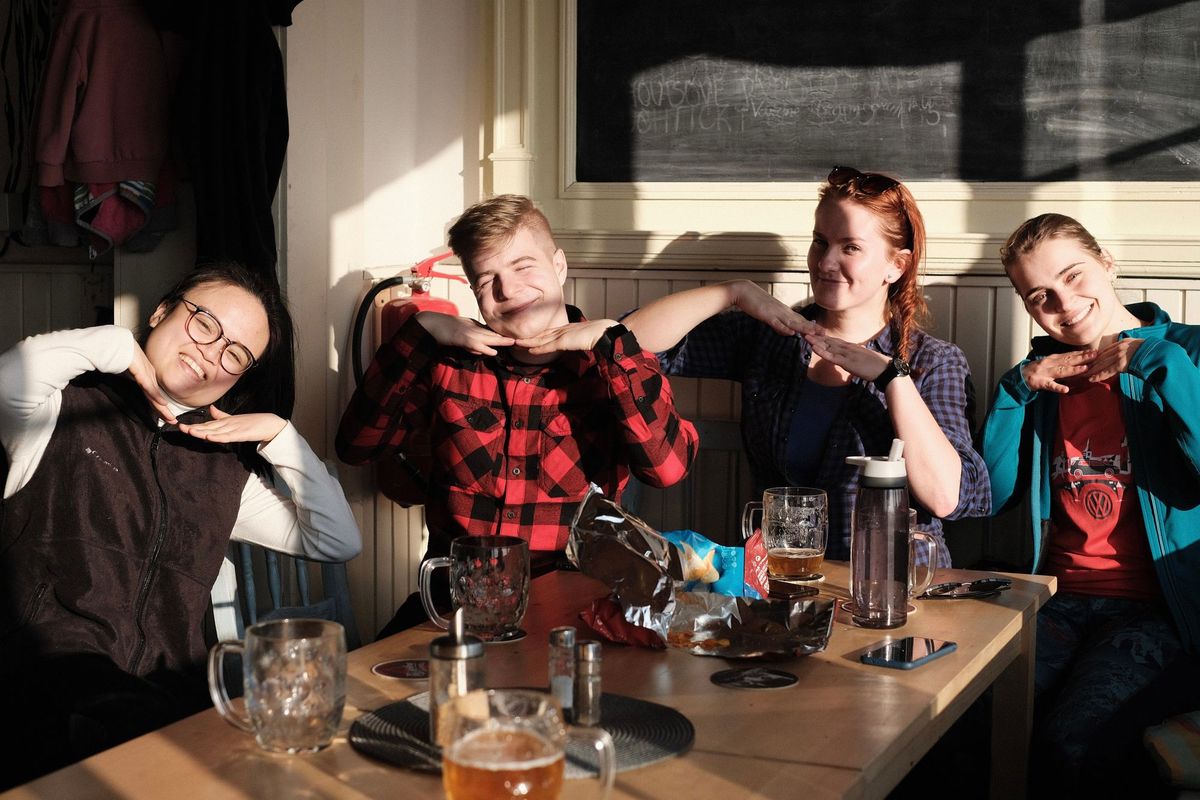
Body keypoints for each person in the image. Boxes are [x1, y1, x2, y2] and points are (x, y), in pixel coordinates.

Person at [0, 262, 361, 789]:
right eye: (203, 323)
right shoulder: (58, 412)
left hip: (168, 708)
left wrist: (279, 435)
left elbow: (337, 540)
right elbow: (13, 373)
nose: (211, 352)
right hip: (40, 704)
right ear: (162, 311)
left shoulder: (223, 470)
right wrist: (121, 348)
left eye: (235, 354)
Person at [337, 194, 698, 633]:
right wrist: (420, 331)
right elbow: (356, 448)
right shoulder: (448, 364)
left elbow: (668, 470)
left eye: (524, 266)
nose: (508, 290)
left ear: (559, 266)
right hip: (456, 609)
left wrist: (610, 341)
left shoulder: (613, 365)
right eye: (487, 279)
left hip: (572, 611)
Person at [623, 166, 990, 564]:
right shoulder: (770, 337)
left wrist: (891, 378)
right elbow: (626, 344)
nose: (826, 262)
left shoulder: (933, 362)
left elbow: (947, 498)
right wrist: (735, 291)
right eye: (820, 242)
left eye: (850, 247)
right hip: (786, 584)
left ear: (896, 265)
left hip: (893, 592)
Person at [980, 213, 1200, 797]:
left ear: (1107, 264)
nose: (1065, 304)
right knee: (964, 714)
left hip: (1164, 613)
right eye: (1040, 296)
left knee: (1075, 739)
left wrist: (1156, 362)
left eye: (1076, 277)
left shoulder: (1190, 353)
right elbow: (993, 497)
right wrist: (1014, 390)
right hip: (1059, 600)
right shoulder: (1043, 382)